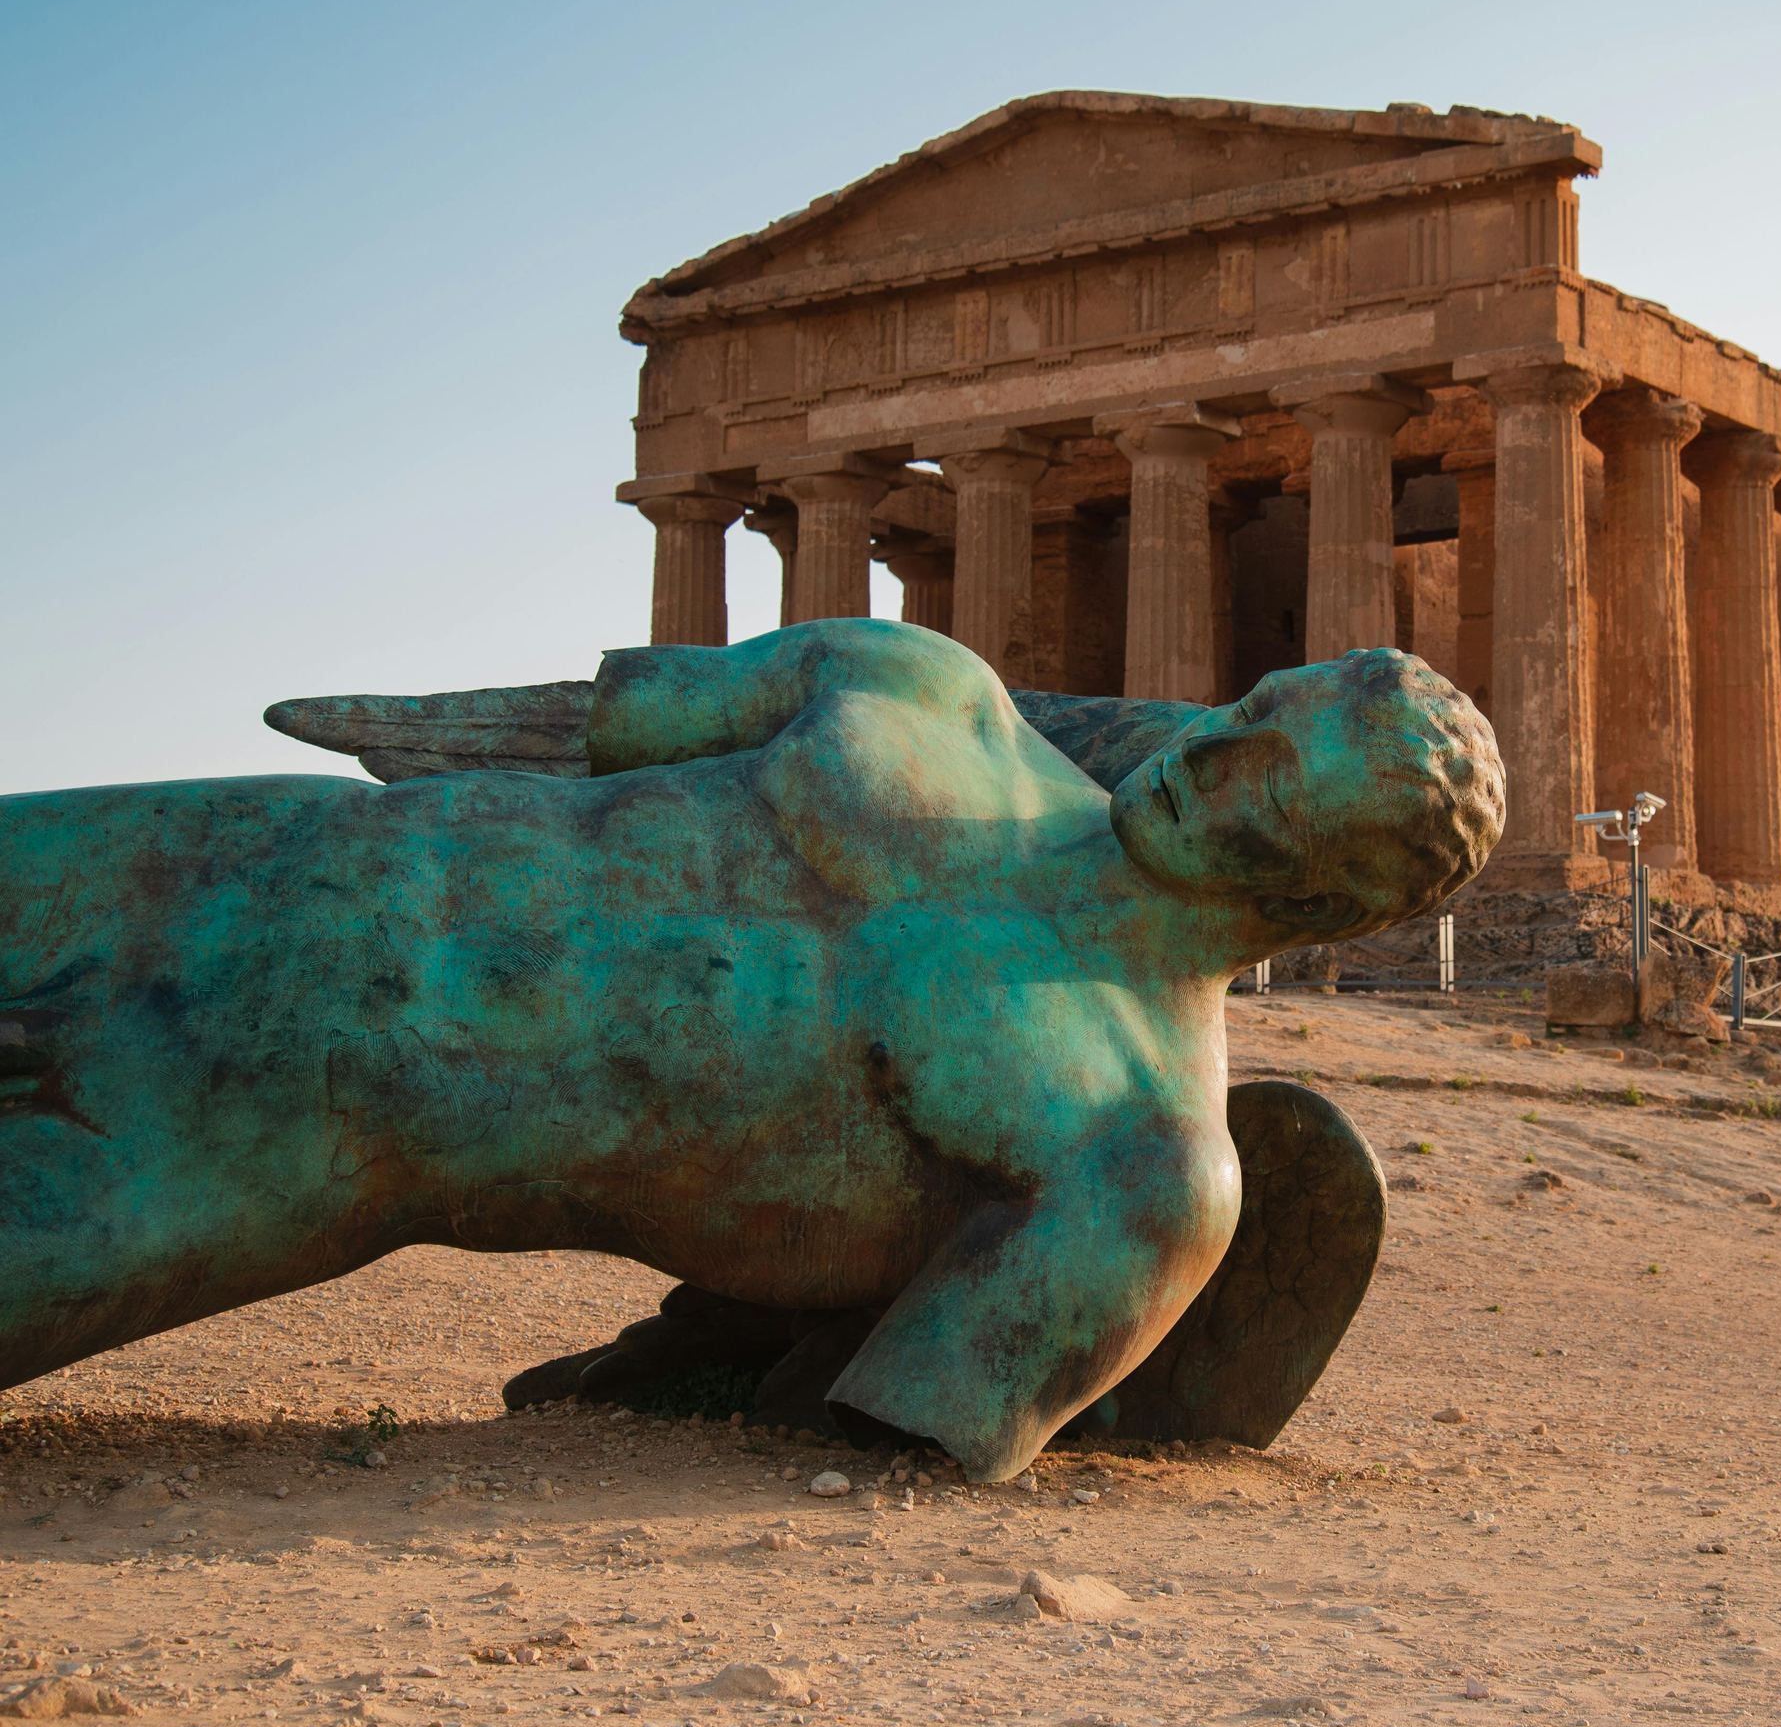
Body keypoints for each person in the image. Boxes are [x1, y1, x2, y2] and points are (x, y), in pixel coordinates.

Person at [0, 621, 1501, 1480]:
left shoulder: (1139, 1169)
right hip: (236, 853)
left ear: (1333, 902)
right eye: (1253, 709)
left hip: (279, 1138)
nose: (1209, 753)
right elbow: (580, 729)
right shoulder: (931, 688)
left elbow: (891, 1425)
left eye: (1269, 785)